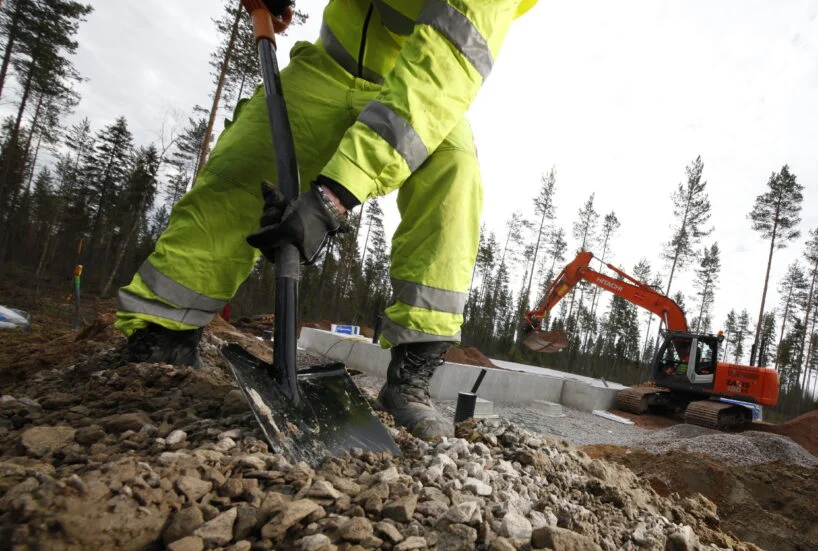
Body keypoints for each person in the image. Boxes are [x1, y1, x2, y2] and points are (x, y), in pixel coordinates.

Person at [115, 0, 538, 440]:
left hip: (412, 90)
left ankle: (410, 380)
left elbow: (434, 82)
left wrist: (333, 197)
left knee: (454, 176)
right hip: (326, 69)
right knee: (243, 165)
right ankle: (163, 336)